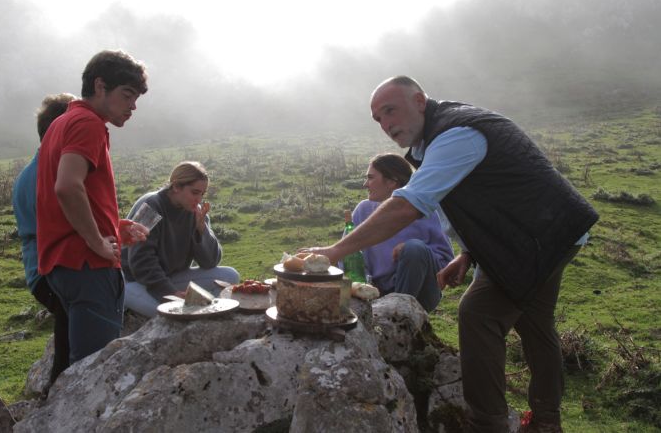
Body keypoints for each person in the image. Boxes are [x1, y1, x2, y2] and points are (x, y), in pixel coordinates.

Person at [304, 76, 598, 433]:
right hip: (553, 232)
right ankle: (546, 421)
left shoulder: (458, 133)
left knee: (478, 313)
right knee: (535, 323)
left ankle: (486, 424)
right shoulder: (443, 136)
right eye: (378, 118)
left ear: (420, 101)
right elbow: (490, 198)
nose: (386, 124)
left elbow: (409, 204)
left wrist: (336, 251)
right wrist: (469, 254)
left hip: (537, 237)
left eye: (391, 110)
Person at [36, 49, 149, 365]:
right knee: (94, 370)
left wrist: (113, 228)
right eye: (127, 95)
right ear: (100, 86)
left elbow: (70, 191)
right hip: (87, 265)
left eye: (136, 98)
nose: (133, 106)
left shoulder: (62, 122)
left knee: (78, 365)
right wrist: (97, 241)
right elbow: (68, 186)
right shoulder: (89, 123)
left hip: (63, 264)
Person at [12, 92, 76, 388]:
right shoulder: (48, 175)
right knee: (71, 345)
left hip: (42, 272)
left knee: (68, 341)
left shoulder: (34, 171)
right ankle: (59, 394)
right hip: (52, 272)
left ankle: (56, 393)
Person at [121, 161, 240, 316]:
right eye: (194, 192)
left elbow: (210, 262)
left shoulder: (194, 212)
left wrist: (201, 230)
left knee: (230, 276)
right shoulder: (151, 205)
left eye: (202, 194)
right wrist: (170, 293)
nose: (199, 199)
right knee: (173, 315)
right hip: (133, 281)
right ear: (176, 187)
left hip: (171, 276)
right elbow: (140, 261)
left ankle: (207, 319)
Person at [349, 153, 453, 312]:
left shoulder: (427, 212)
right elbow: (349, 256)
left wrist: (414, 253)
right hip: (376, 291)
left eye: (371, 178)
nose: (365, 184)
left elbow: (446, 261)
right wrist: (366, 282)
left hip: (421, 294)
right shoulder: (363, 210)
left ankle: (396, 313)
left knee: (414, 248)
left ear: (391, 182)